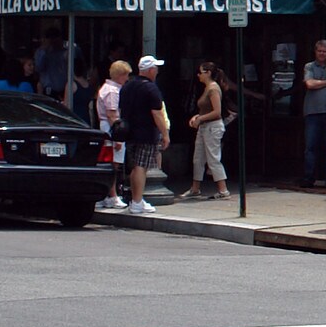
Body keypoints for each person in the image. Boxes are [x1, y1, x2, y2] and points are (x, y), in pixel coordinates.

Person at [118, 55, 170, 215]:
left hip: (130, 132)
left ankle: (136, 200)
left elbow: (121, 109)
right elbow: (157, 113)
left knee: (135, 166)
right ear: (151, 70)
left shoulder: (127, 86)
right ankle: (137, 201)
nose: (157, 71)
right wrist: (165, 134)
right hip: (146, 133)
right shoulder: (151, 88)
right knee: (142, 166)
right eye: (156, 68)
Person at [181, 59, 232, 201]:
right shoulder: (207, 88)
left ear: (208, 73)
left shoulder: (213, 88)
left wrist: (200, 119)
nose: (198, 75)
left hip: (212, 127)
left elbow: (217, 112)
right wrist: (198, 116)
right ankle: (195, 188)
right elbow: (207, 109)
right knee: (198, 158)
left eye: (200, 72)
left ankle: (223, 190)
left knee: (213, 158)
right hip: (205, 127)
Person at [300, 37, 326, 190]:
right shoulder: (309, 66)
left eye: (325, 52)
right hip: (313, 113)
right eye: (320, 51)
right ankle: (308, 178)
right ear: (315, 51)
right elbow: (309, 84)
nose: (322, 54)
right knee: (311, 147)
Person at [95, 59, 129, 211]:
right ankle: (112, 195)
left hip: (107, 127)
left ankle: (108, 195)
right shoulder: (112, 91)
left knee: (110, 163)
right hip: (111, 128)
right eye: (126, 75)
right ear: (120, 75)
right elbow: (112, 115)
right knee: (113, 164)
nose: (127, 79)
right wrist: (118, 137)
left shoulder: (106, 88)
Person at [35, 29, 69, 101]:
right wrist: (44, 50)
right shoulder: (41, 52)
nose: (54, 42)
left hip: (64, 90)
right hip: (48, 90)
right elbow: (39, 67)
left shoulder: (66, 53)